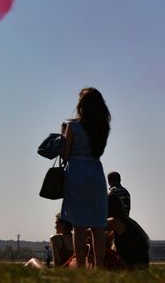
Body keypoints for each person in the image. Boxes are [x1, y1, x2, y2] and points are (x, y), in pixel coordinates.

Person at [60, 87, 111, 269]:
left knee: (79, 226)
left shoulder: (74, 126)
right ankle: (99, 267)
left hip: (76, 174)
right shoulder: (103, 127)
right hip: (95, 173)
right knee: (98, 227)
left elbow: (65, 155)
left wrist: (63, 136)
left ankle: (80, 266)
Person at [107, 194, 149, 269]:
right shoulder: (128, 221)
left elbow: (95, 229)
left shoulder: (114, 221)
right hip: (142, 265)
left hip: (132, 267)